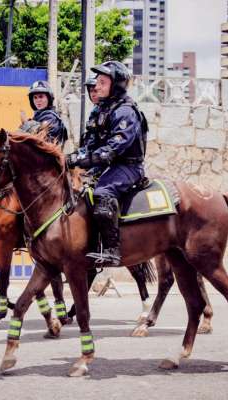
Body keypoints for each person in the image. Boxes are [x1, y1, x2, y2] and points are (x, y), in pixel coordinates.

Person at [66, 61, 147, 267]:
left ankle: (112, 249)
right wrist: (70, 158)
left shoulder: (126, 112)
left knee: (103, 192)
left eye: (102, 83)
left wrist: (82, 160)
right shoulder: (103, 110)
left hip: (128, 167)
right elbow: (90, 145)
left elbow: (111, 150)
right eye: (97, 83)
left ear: (116, 85)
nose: (97, 87)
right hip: (105, 166)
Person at [26, 80, 67, 145]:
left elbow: (43, 143)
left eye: (41, 96)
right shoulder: (39, 116)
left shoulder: (51, 118)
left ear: (49, 98)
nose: (38, 100)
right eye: (35, 97)